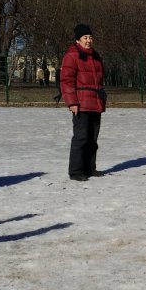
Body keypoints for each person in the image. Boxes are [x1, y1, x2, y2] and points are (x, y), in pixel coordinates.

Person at [60, 24, 106, 181]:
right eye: (85, 38)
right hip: (81, 104)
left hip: (95, 103)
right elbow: (66, 81)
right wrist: (72, 102)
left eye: (90, 37)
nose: (89, 40)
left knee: (93, 139)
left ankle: (90, 168)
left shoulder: (95, 56)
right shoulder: (72, 56)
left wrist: (102, 97)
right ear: (78, 40)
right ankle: (76, 171)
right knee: (81, 138)